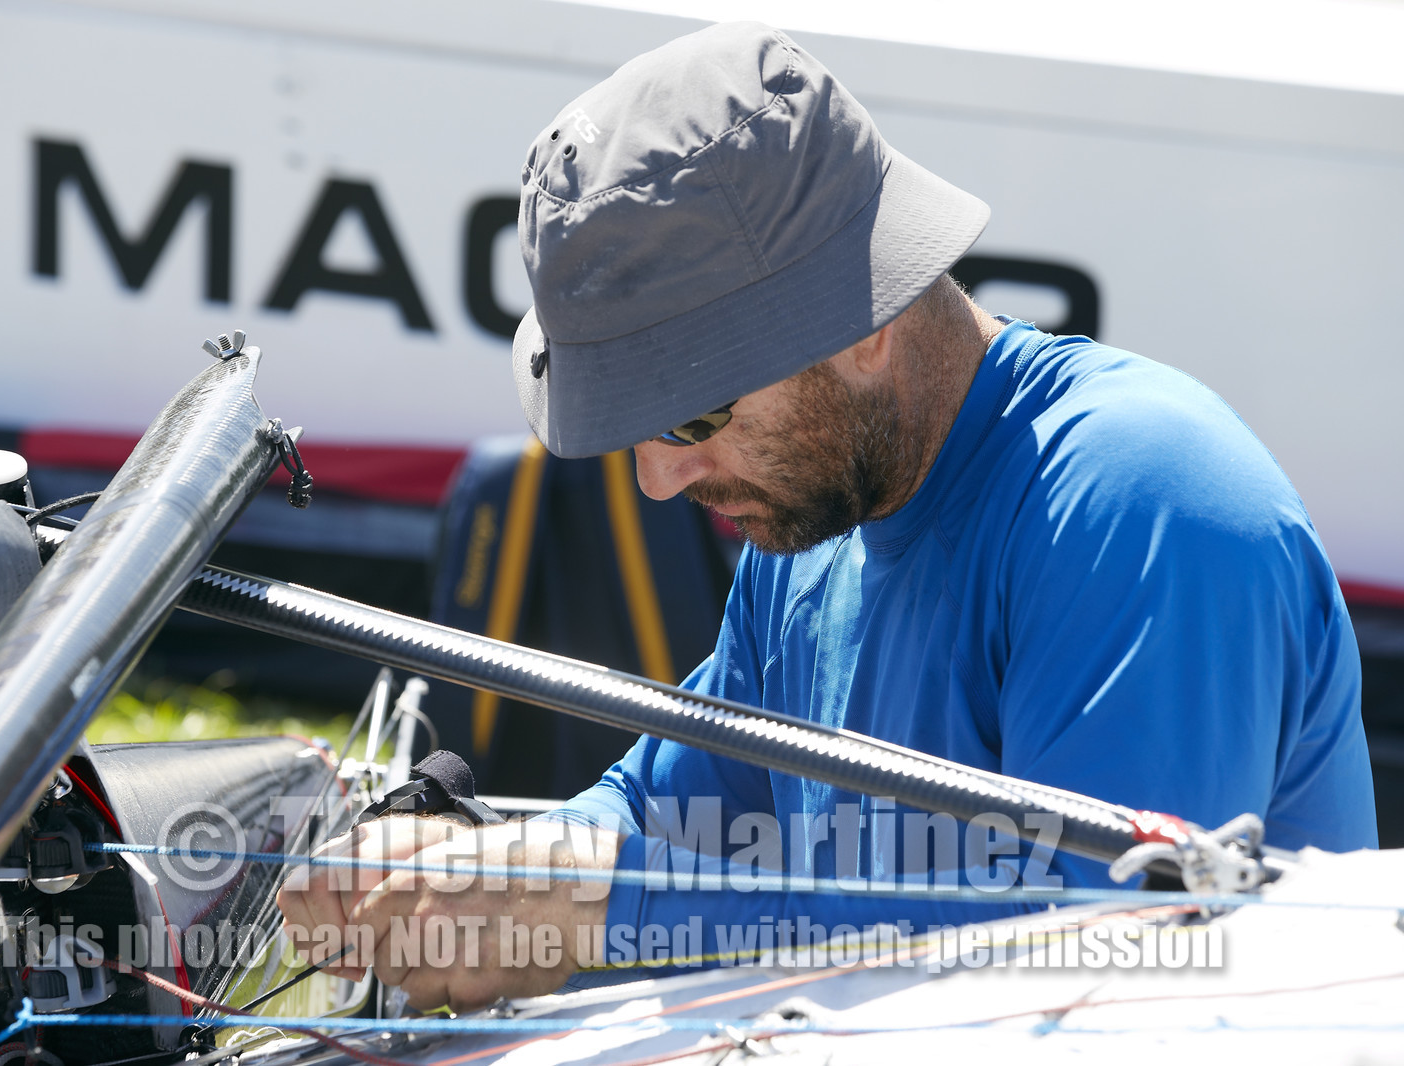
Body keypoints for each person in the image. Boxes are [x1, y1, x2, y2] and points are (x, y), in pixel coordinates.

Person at [277, 21, 1376, 1011]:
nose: (660, 481)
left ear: (863, 317)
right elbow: (680, 805)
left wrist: (595, 907)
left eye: (695, 409)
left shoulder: (1145, 499)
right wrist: (493, 870)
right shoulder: (809, 511)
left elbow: (1109, 955)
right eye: (632, 429)